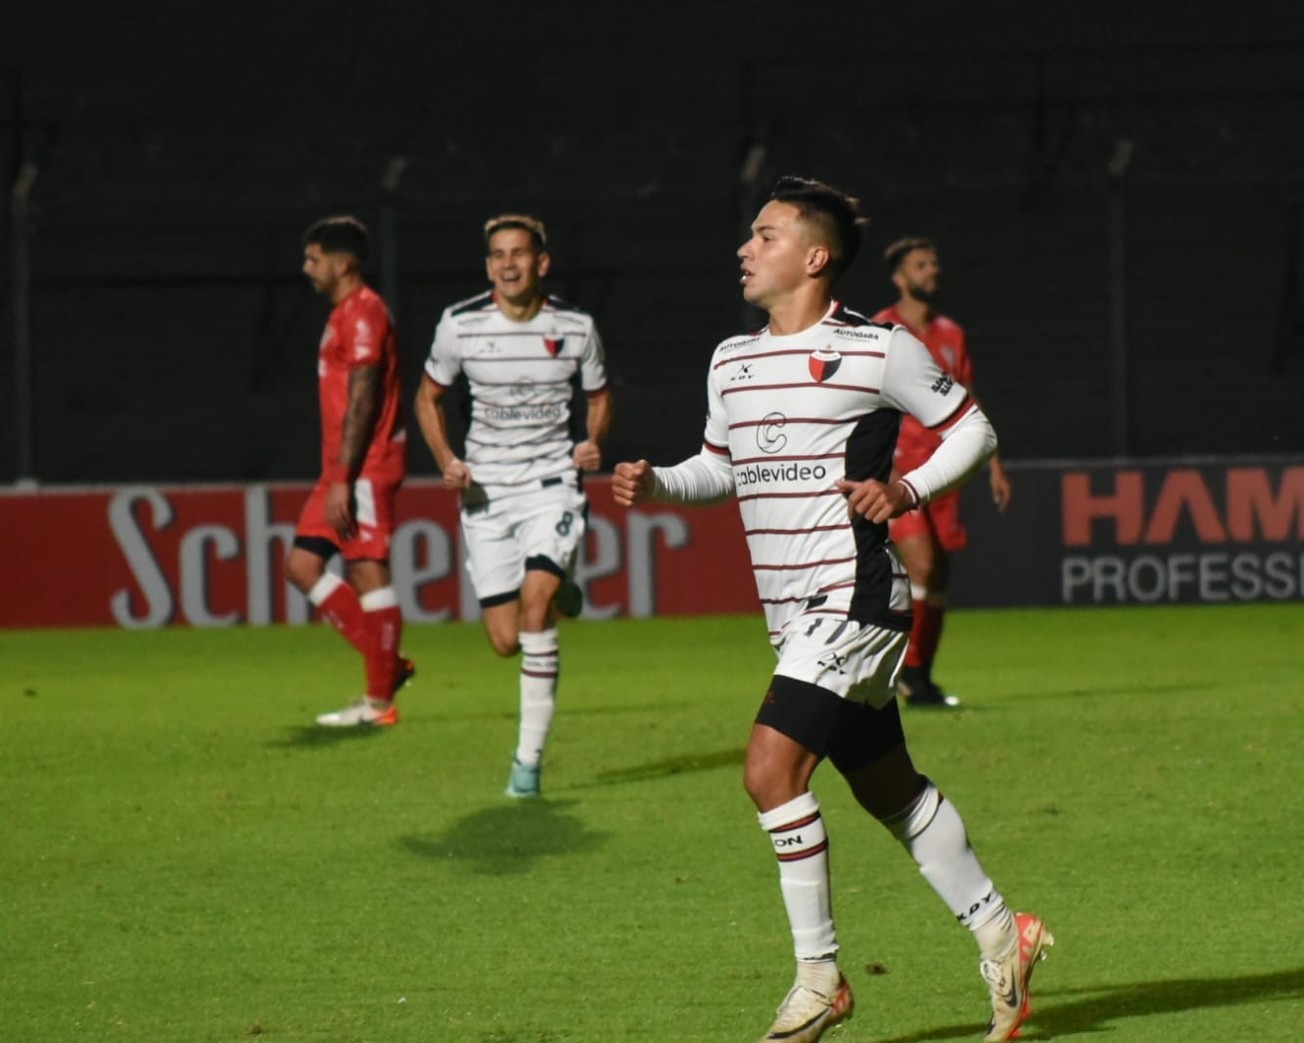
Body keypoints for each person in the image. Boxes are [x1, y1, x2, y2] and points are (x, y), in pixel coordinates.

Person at [612, 177, 1050, 1043]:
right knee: (887, 787)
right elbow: (719, 468)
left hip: (852, 596)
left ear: (814, 257)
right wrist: (659, 480)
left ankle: (819, 978)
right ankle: (1005, 931)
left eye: (764, 235)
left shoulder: (877, 349)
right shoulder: (729, 359)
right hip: (792, 612)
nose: (745, 248)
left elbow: (973, 428)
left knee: (769, 774)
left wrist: (907, 488)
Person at [414, 214, 612, 799]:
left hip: (550, 482)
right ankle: (562, 579)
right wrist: (447, 458)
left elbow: (599, 397)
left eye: (519, 254)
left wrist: (593, 441)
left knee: (535, 607)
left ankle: (527, 764)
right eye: (498, 255)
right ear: (487, 266)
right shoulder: (460, 325)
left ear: (541, 262)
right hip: (485, 493)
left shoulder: (575, 326)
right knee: (505, 640)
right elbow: (429, 398)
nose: (508, 264)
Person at [873, 237, 1012, 708]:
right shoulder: (880, 331)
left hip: (946, 471)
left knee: (939, 577)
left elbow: (966, 399)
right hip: (899, 474)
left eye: (934, 263)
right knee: (923, 565)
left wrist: (993, 464)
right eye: (921, 265)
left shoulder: (952, 333)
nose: (933, 271)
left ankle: (920, 677)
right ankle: (893, 670)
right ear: (900, 278)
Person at [287, 216, 415, 728]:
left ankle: (379, 702)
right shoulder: (344, 314)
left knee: (367, 572)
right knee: (302, 566)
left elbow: (364, 400)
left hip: (362, 465)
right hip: (340, 467)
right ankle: (389, 668)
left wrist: (343, 475)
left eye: (313, 258)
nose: (306, 268)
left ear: (342, 264)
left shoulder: (364, 315)